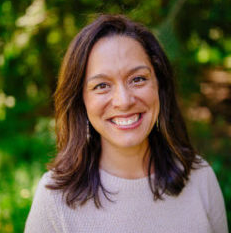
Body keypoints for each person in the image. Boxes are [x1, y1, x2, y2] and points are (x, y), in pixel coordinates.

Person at [25, 14, 228, 233]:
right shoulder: (55, 199)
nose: (124, 101)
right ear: (80, 100)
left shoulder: (199, 178)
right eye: (102, 85)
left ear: (159, 85)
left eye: (138, 79)